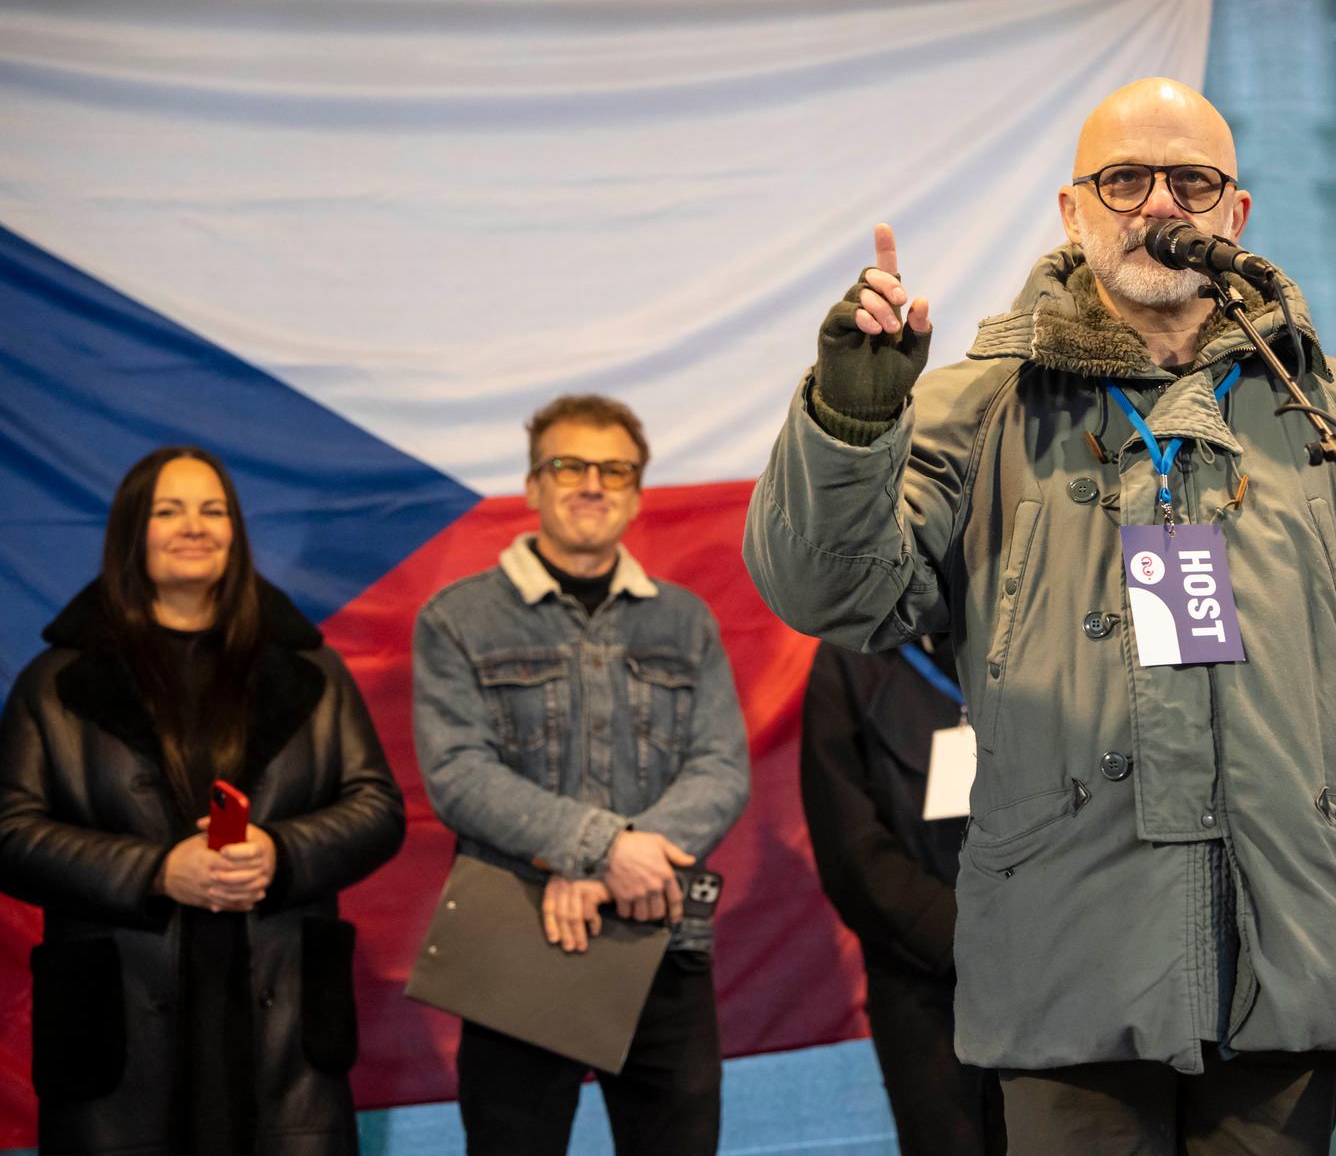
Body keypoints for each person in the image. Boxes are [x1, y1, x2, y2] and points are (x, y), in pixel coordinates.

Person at [743, 77, 1336, 1154]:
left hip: (1292, 954)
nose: (1160, 203)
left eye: (1192, 180)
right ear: (1074, 211)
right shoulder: (971, 411)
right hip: (1070, 965)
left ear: (1235, 214)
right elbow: (831, 592)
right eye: (1126, 179)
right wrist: (850, 419)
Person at [0, 446, 406, 1156]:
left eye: (213, 510)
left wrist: (281, 853)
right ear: (133, 530)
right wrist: (155, 871)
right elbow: (9, 833)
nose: (195, 526)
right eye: (169, 510)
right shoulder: (56, 680)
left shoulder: (309, 669)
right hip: (116, 1022)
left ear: (236, 531)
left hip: (279, 1012)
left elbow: (377, 807)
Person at [413, 393, 750, 1156]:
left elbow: (721, 768)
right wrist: (604, 846)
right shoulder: (456, 620)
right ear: (533, 486)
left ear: (635, 493)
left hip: (660, 938)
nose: (591, 483)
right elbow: (458, 774)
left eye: (614, 469)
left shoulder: (685, 620)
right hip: (515, 938)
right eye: (568, 465)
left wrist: (615, 868)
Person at [800, 637, 1007, 1156]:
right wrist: (962, 936)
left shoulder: (1035, 629)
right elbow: (848, 844)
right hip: (919, 974)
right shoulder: (848, 656)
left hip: (1046, 966)